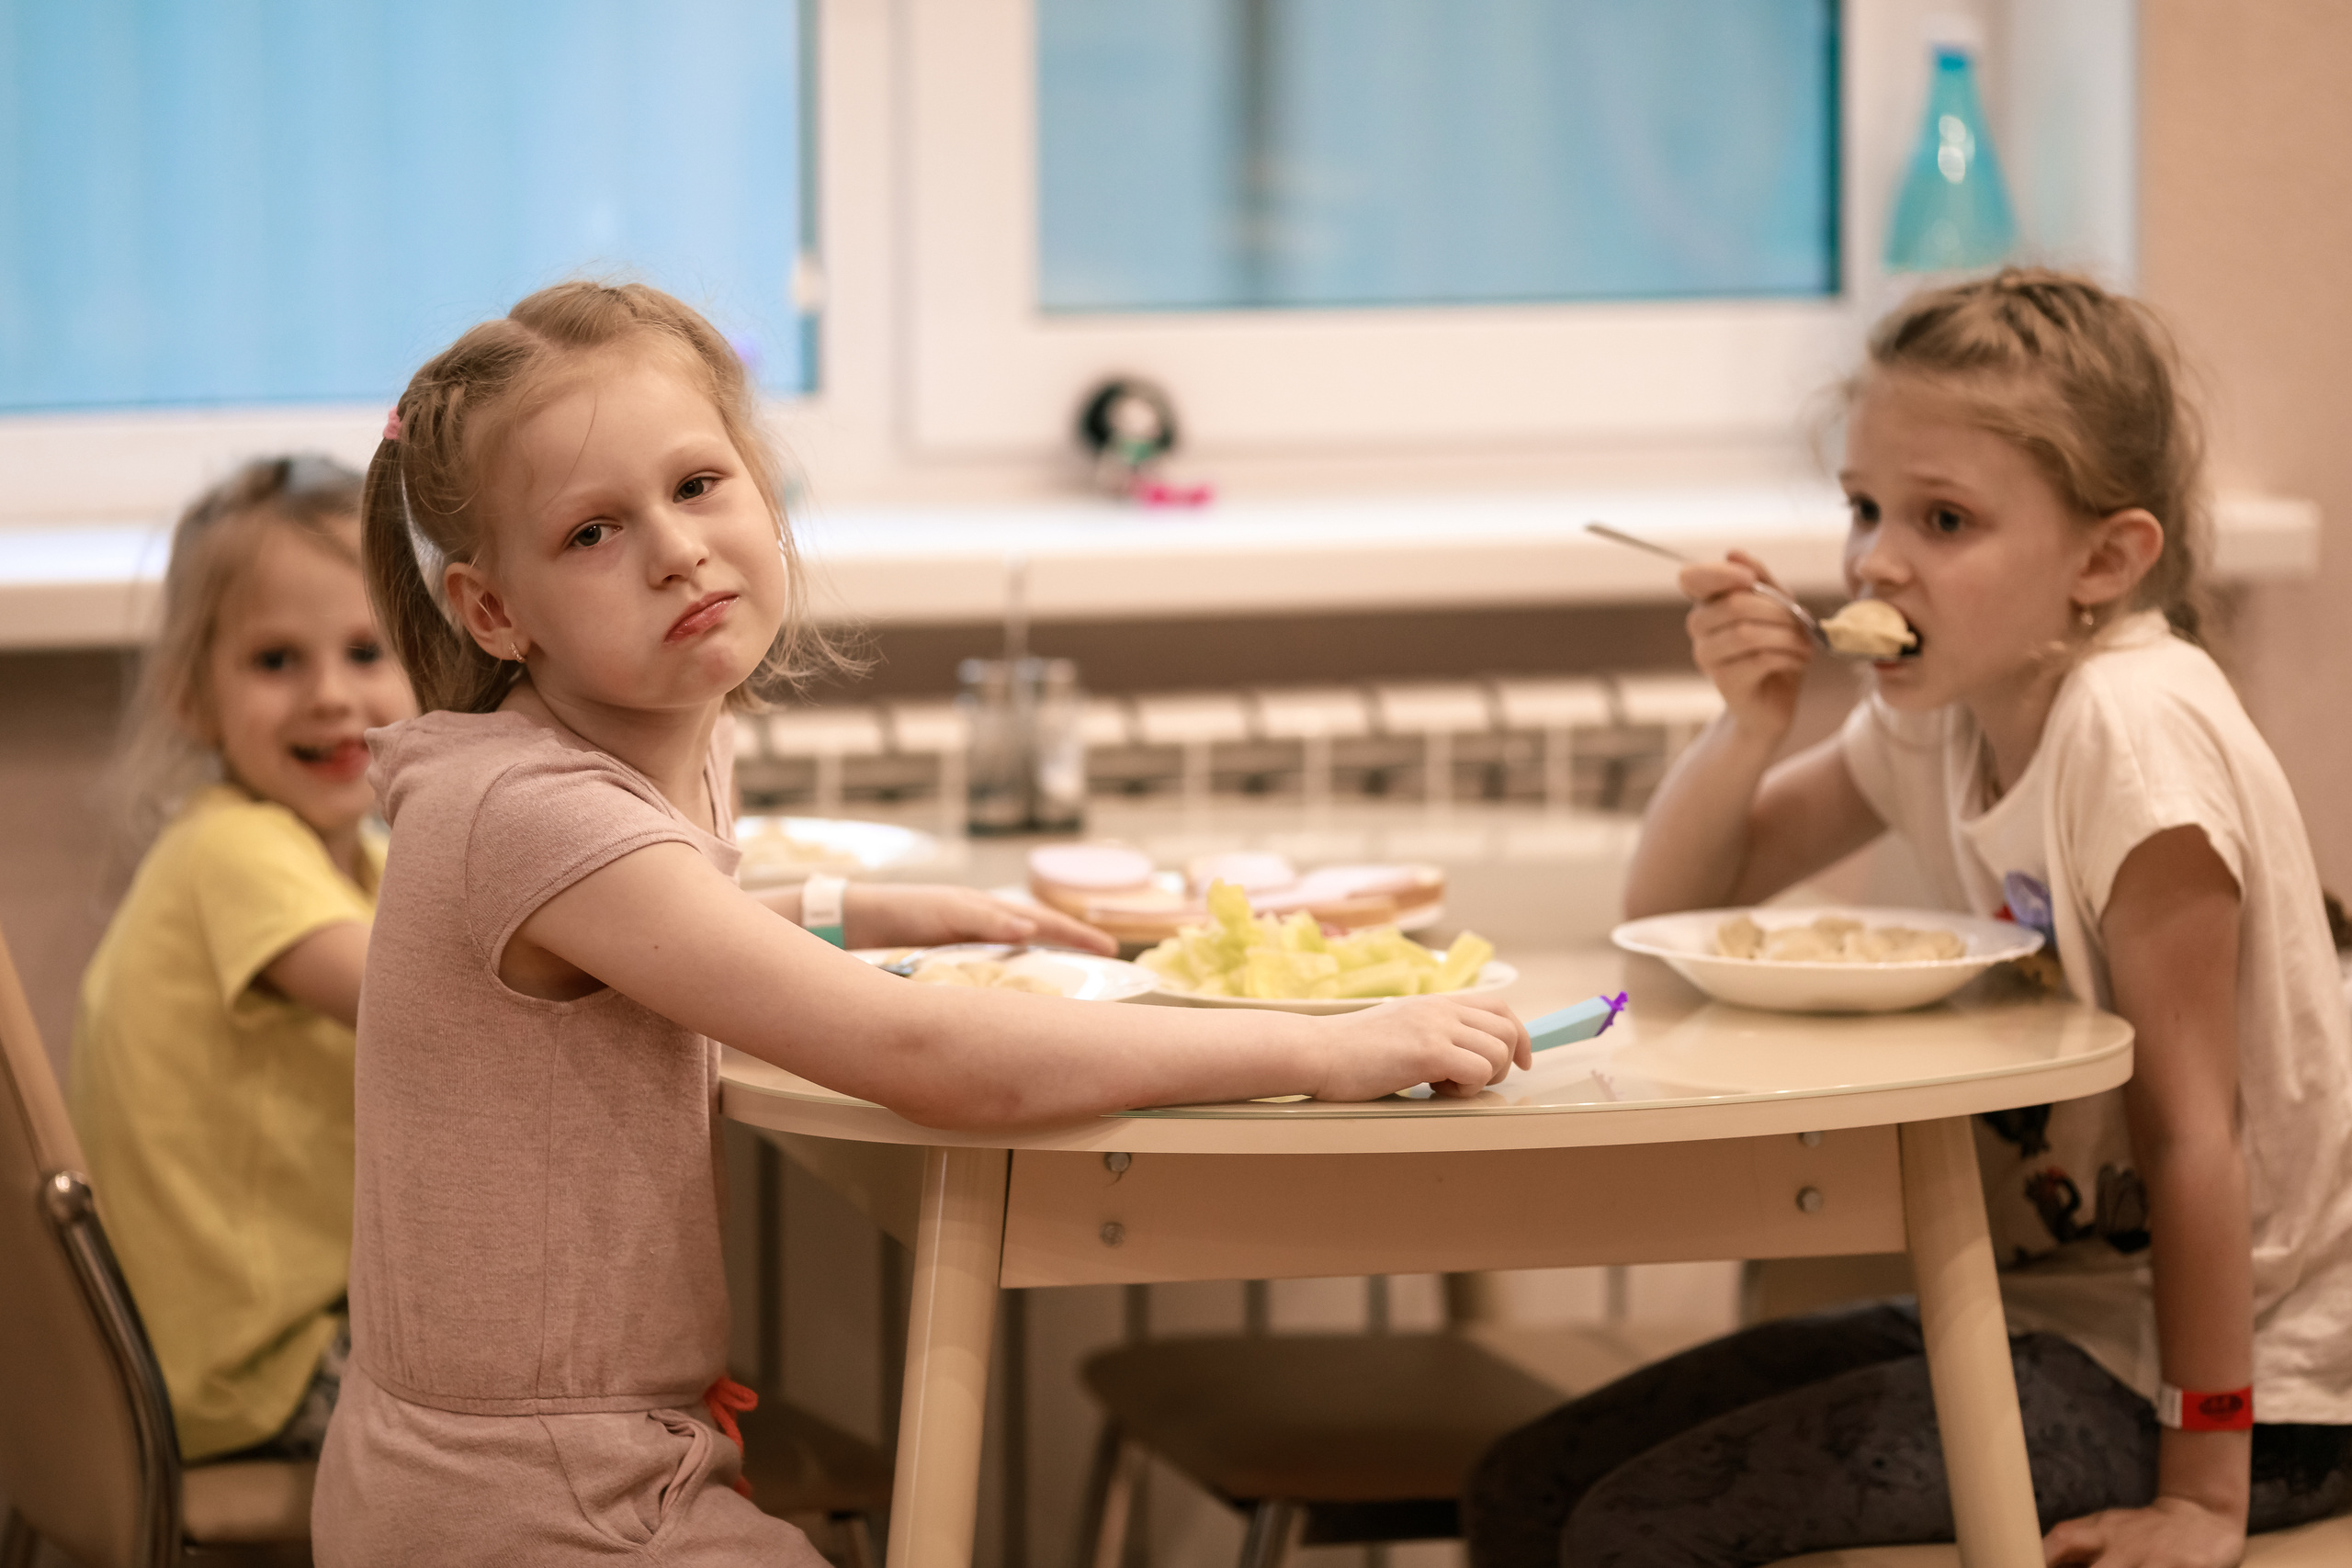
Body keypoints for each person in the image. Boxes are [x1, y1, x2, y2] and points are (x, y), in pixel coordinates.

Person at [310, 280, 1530, 1564]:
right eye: (591, 533)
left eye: (697, 484)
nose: (674, 547)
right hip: (526, 1499)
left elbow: (655, 928)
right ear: (493, 611)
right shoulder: (531, 807)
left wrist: (856, 906)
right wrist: (1322, 1048)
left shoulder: (607, 758)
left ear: (763, 490)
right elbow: (929, 1059)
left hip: (560, 1466)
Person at [1465, 270, 2352, 1567]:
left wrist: (2203, 1488)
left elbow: (2193, 1132)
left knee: (1634, 1531)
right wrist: (1748, 725)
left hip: (2266, 1383)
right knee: (1525, 1484)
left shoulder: (2133, 734)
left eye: (1943, 518)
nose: (1878, 558)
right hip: (2067, 1312)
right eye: (1865, 507)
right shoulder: (1938, 713)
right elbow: (1672, 908)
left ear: (2105, 559)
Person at [71, 456, 419, 1463]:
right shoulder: (232, 851)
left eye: (365, 650)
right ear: (191, 693)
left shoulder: (358, 857)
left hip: (248, 1347)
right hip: (249, 1369)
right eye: (276, 661)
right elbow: (430, 1001)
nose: (329, 697)